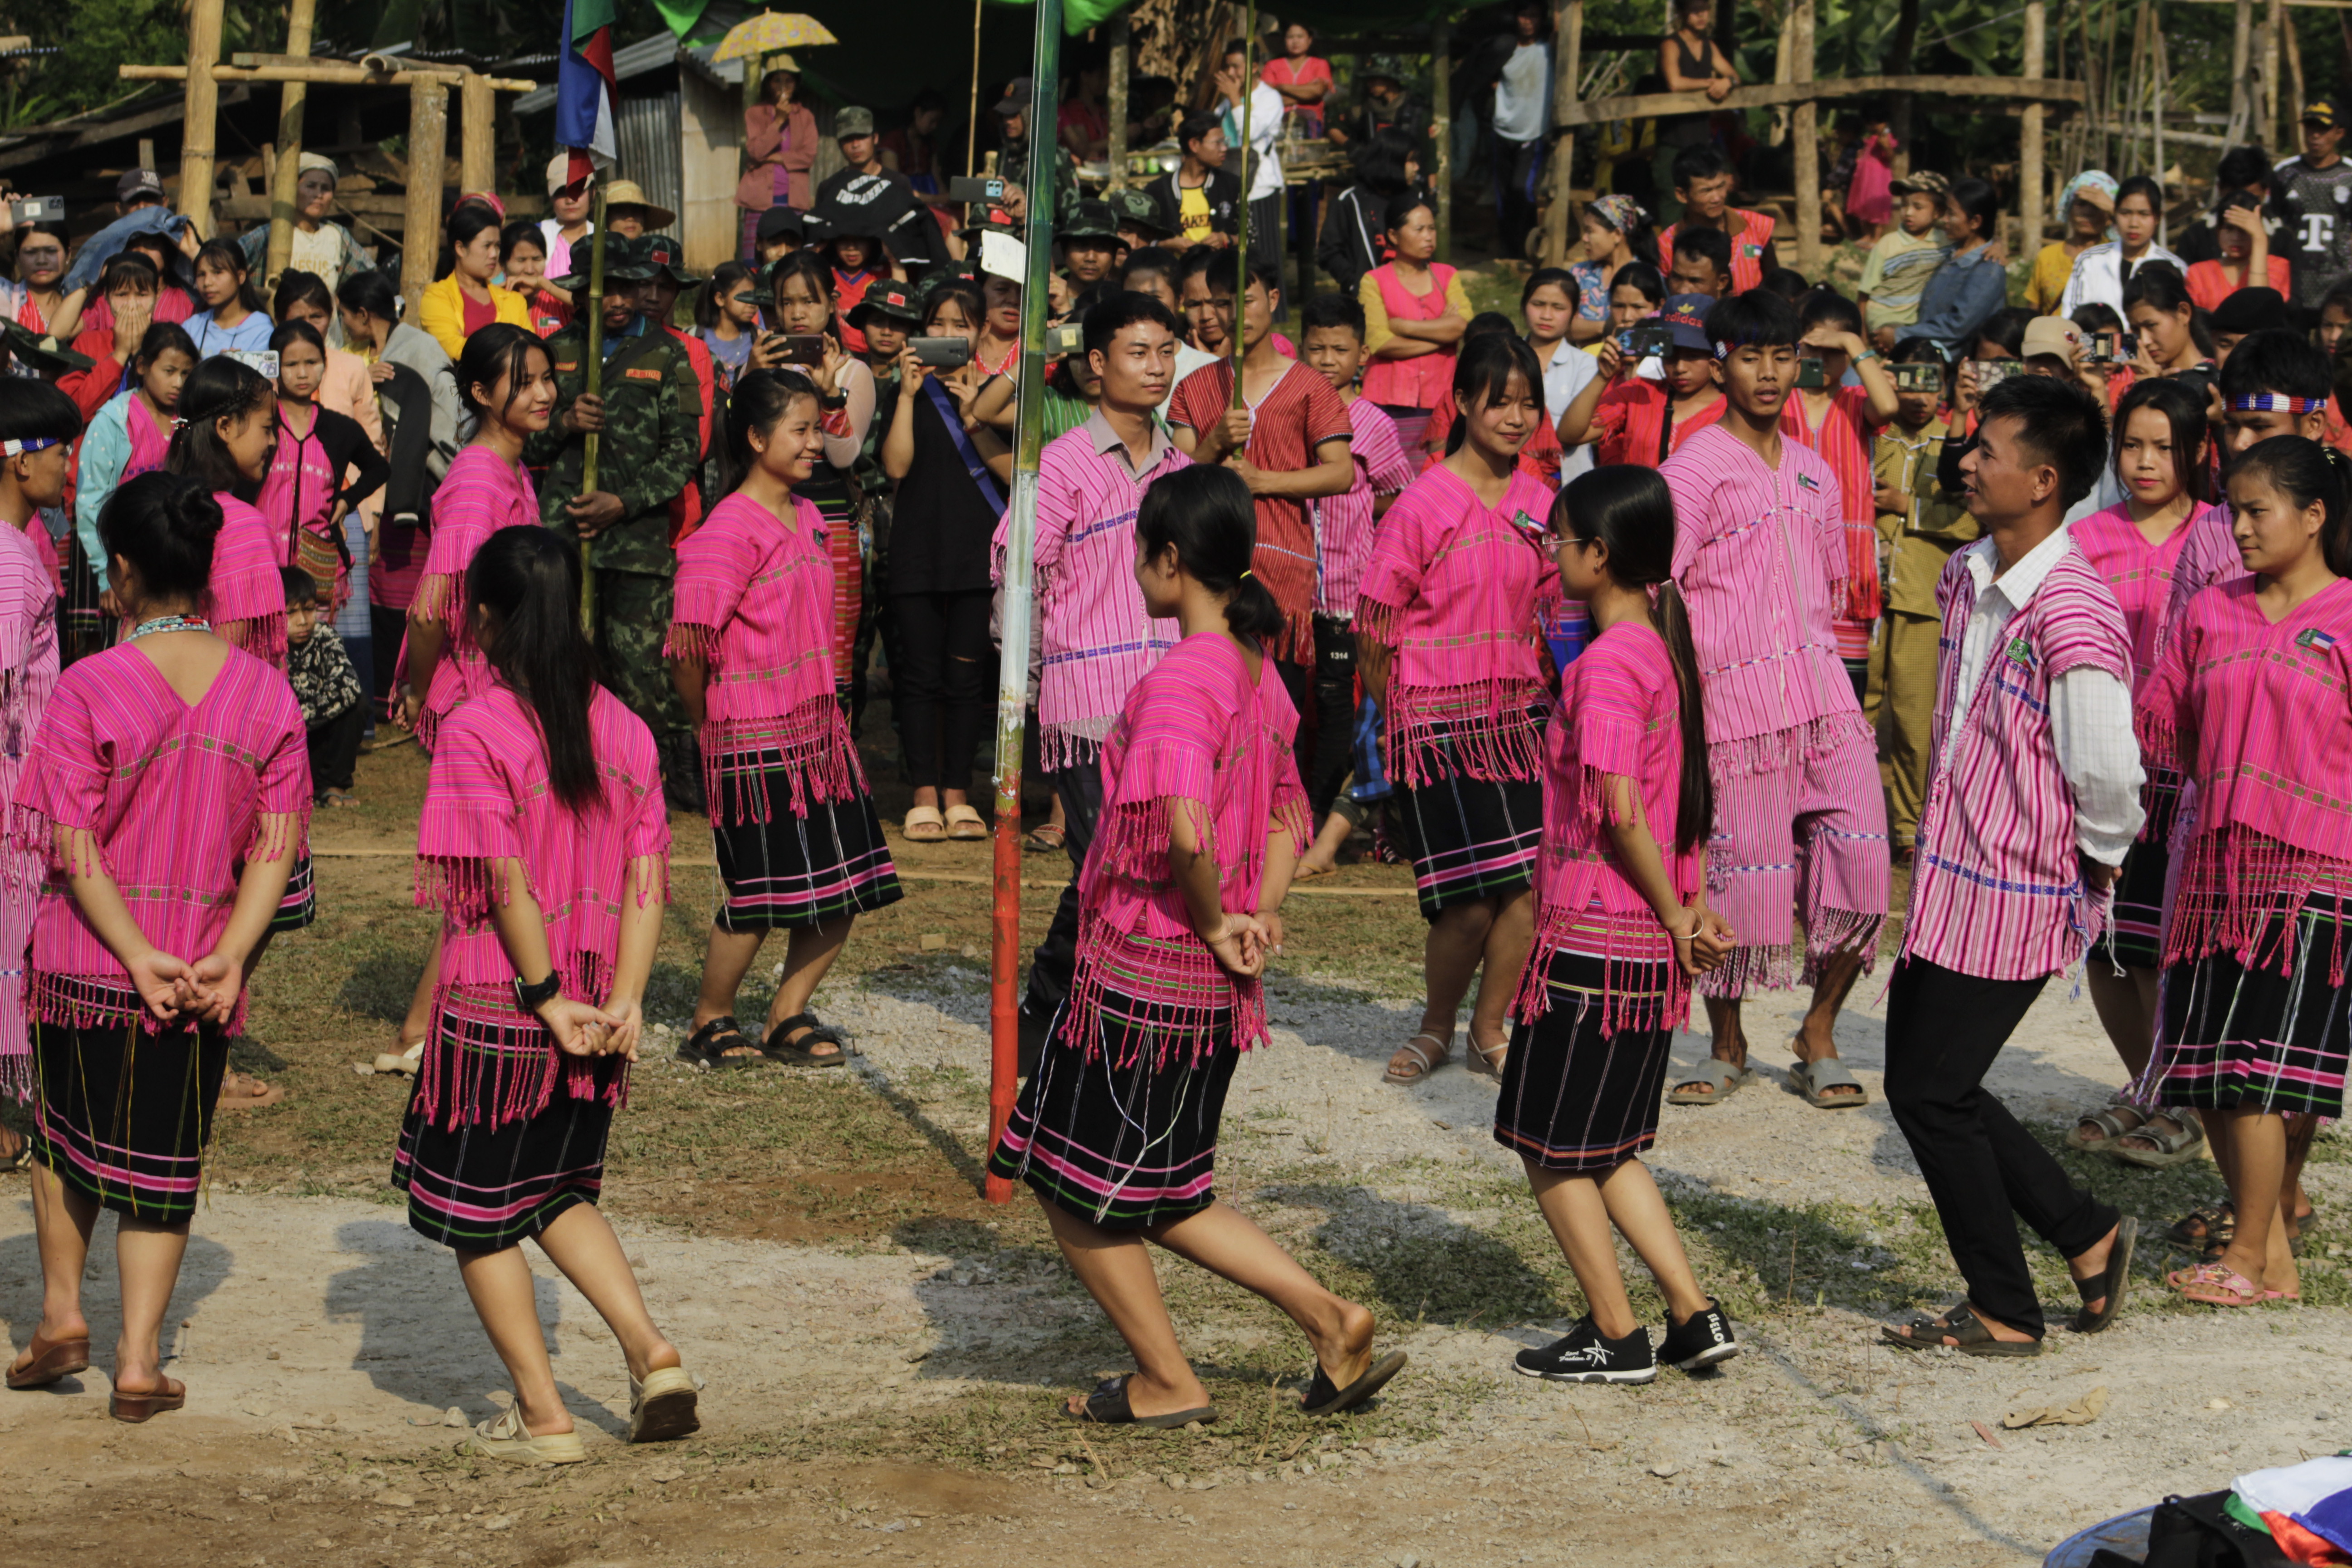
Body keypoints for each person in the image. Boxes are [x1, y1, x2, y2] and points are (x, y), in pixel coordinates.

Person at [988, 461, 1406, 1426]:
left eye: (1142, 553)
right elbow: (1292, 813)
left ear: (1171, 561)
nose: (1137, 569)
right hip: (1210, 987)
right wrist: (1262, 910)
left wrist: (1222, 914)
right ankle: (1330, 1320)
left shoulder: (1184, 676)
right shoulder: (1260, 677)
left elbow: (1182, 828)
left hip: (1144, 975)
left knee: (1065, 1180)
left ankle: (1168, 1380)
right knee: (1166, 1186)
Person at [396, 523, 698, 1462]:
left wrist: (543, 995)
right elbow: (649, 877)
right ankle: (655, 1355)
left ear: (483, 618)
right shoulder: (628, 729)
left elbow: (501, 881)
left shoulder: (478, 727)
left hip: (507, 1010)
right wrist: (630, 1001)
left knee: (478, 1215)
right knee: (558, 1191)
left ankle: (543, 1413)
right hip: (600, 1010)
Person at [8, 470, 305, 1419]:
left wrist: (132, 952)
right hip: (201, 971)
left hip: (82, 965)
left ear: (124, 572)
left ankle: (62, 1312)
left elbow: (70, 840)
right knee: (164, 1164)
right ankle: (139, 1363)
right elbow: (277, 844)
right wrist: (230, 952)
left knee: (63, 1138)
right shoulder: (265, 696)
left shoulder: (89, 685)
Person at [1879, 374, 2142, 1355]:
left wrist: (2099, 863)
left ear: (2042, 480)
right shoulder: (1966, 572)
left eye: (1988, 450)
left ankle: (2005, 1309)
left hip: (2021, 890)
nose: (1969, 461)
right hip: (1953, 877)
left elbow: (2109, 769)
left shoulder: (2075, 611)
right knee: (1932, 1083)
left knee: (1931, 1094)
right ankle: (2086, 1233)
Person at [1502, 465, 1738, 1384]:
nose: (1553, 555)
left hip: (1596, 941)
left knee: (1550, 1145)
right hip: (1641, 947)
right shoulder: (1659, 652)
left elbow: (1621, 810)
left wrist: (1682, 912)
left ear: (1599, 556)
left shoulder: (1607, 665)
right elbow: (1687, 808)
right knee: (1608, 1146)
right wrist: (1686, 905)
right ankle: (1691, 1313)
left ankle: (1615, 1332)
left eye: (1561, 540)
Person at [1659, 291, 1890, 1109]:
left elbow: (1823, 590)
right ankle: (1724, 1044)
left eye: (1782, 355)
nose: (1767, 371)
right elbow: (1663, 592)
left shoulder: (1815, 470)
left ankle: (1816, 1031)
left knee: (1864, 865)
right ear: (1719, 360)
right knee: (1732, 883)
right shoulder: (1687, 470)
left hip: (1824, 697)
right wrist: (1679, 707)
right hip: (1731, 711)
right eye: (1750, 354)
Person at [2136, 433, 2352, 1309]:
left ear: (2311, 516)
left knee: (2260, 1073)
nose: (2238, 527)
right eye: (2230, 510)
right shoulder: (2210, 612)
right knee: (2213, 1076)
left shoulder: (2345, 617)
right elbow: (2172, 727)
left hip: (2311, 872)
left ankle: (2252, 1256)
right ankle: (2270, 1259)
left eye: (2255, 510)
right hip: (2214, 872)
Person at [670, 368, 904, 1073]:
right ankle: (710, 1019)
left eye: (817, 427)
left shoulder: (806, 514)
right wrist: (709, 724)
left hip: (819, 736)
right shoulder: (725, 532)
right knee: (759, 895)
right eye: (801, 430)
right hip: (752, 738)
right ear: (755, 437)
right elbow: (687, 649)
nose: (815, 443)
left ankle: (787, 1012)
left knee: (846, 885)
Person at [1362, 335, 1557, 1087]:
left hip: (1517, 724)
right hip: (1435, 729)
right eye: (1499, 401)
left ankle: (1488, 1027)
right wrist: (1399, 722)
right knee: (1468, 902)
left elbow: (1560, 614)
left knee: (1529, 887)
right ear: (1464, 404)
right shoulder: (1421, 503)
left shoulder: (1540, 502)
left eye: (1526, 402)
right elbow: (1376, 628)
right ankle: (1434, 1026)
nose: (1514, 417)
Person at [1007, 293, 1190, 1067]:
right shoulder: (1059, 464)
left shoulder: (1181, 465)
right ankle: (1052, 1014)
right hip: (1088, 704)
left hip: (1169, 701)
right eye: (1137, 351)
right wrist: (1020, 676)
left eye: (1164, 351)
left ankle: (1080, 1011)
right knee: (1102, 864)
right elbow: (1013, 569)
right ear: (1096, 364)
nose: (1154, 367)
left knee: (1141, 863)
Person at [2057, 378, 2227, 1159]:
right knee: (2106, 942)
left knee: (2162, 946)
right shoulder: (2085, 539)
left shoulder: (2226, 534)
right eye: (2130, 444)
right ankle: (2146, 1082)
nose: (2144, 461)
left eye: (2163, 446)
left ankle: (2179, 1093)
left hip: (2185, 775)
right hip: (2101, 767)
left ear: (2197, 450)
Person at [524, 237, 703, 810]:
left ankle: (657, 782)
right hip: (566, 537)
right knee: (565, 658)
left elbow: (683, 454)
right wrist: (563, 423)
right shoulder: (554, 352)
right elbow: (526, 435)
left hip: (637, 544)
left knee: (641, 673)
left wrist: (624, 501)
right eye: (608, 289)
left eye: (629, 287)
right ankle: (569, 777)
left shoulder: (669, 355)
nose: (620, 301)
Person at [1169, 254, 1354, 741]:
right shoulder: (1194, 387)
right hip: (1210, 567)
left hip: (1282, 572)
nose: (1234, 315)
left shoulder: (1310, 386)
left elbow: (1341, 473)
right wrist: (1212, 444)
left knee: (1277, 719)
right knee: (1214, 713)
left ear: (1272, 300)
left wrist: (1265, 482)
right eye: (1221, 304)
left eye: (1245, 300)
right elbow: (1173, 482)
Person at [1291, 292, 1417, 876]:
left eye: (1339, 349)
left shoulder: (1373, 424)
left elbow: (1396, 492)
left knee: (1338, 705)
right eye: (1315, 347)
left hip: (1347, 595)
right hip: (1292, 590)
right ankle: (1287, 819)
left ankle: (1316, 821)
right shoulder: (1289, 412)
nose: (1326, 358)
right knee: (1292, 704)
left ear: (1362, 354)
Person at [882, 280, 1007, 845]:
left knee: (965, 679)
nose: (948, 335)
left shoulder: (994, 393)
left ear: (980, 331)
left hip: (976, 552)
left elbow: (1007, 472)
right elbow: (897, 468)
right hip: (915, 551)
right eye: (938, 323)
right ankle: (922, 796)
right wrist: (908, 395)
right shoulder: (902, 388)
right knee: (919, 676)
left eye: (961, 324)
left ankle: (959, 796)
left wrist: (977, 409)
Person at [1868, 341, 1979, 858]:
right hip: (1863, 597)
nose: (1918, 394)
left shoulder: (1958, 444)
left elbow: (1973, 521)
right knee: (1855, 718)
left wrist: (1906, 505)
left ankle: (1912, 829)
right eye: (1907, 380)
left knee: (1915, 726)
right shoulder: (1869, 434)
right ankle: (1852, 821)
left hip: (1921, 601)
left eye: (1929, 381)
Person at [762, 253, 877, 719]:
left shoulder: (855, 373)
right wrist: (755, 377)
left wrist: (829, 393)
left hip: (829, 525)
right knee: (776, 639)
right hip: (770, 520)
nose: (796, 313)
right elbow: (744, 445)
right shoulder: (764, 367)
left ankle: (835, 767)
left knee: (830, 644)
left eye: (808, 301)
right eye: (786, 302)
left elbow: (844, 455)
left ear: (831, 304)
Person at [0, 378, 68, 1139]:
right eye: (60, 451)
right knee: (11, 939)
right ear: (20, 462)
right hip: (12, 796)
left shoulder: (20, 550)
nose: (67, 467)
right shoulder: (11, 563)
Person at [1785, 289, 1901, 697]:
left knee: (1845, 689)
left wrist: (1854, 345)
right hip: (1785, 559)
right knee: (1789, 684)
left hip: (1848, 575)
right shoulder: (1779, 401)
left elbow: (1888, 407)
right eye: (1814, 347)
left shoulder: (1856, 402)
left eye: (1837, 351)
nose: (1824, 360)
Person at [72, 321, 195, 658]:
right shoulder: (114, 420)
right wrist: (105, 575)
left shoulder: (188, 423)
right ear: (142, 366)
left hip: (173, 559)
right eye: (169, 370)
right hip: (122, 563)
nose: (178, 383)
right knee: (114, 651)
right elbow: (90, 501)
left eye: (186, 373)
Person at [165, 356, 290, 665]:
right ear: (225, 426)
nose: (273, 441)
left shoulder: (161, 503)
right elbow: (228, 654)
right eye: (266, 428)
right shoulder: (242, 525)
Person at [260, 320, 387, 614]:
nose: (303, 373)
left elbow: (379, 469)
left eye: (312, 362)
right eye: (291, 364)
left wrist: (347, 500)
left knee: (310, 648)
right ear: (274, 365)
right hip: (261, 560)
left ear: (325, 364)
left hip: (316, 565)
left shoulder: (339, 428)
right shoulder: (259, 419)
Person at [1359, 191, 1470, 456]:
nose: (1429, 236)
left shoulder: (1447, 275)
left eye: (1432, 228)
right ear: (1394, 236)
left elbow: (1461, 326)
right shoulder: (1373, 281)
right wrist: (1441, 333)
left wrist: (1402, 327)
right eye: (1419, 229)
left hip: (1441, 398)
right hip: (1386, 400)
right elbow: (1379, 342)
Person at [1563, 294, 1725, 466]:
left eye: (1694, 356)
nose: (1680, 368)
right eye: (1670, 354)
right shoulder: (1638, 392)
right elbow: (1570, 435)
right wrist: (1602, 377)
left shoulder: (1732, 411)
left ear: (1715, 357)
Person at [815, 108, 944, 276]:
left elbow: (913, 240)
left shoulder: (898, 183)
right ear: (840, 145)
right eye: (848, 139)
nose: (855, 145)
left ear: (875, 138)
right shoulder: (829, 188)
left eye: (861, 137)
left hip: (895, 274)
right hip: (843, 281)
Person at [1652, 0, 1739, 225]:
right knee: (1673, 203)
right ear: (1682, 14)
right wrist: (1711, 83)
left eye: (1705, 10)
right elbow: (1675, 82)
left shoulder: (1709, 46)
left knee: (1713, 201)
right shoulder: (1671, 45)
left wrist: (1727, 82)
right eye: (1694, 11)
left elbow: (1734, 75)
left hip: (1701, 142)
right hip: (1673, 140)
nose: (1701, 16)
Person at [283, 565, 362, 808]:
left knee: (358, 705)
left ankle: (332, 783)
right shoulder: (266, 646)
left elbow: (348, 686)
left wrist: (301, 717)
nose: (303, 621)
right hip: (284, 744)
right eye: (292, 613)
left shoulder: (325, 636)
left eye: (309, 610)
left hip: (315, 733)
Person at [232, 154, 367, 291]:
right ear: (292, 189)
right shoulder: (270, 234)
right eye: (311, 186)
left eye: (325, 188)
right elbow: (226, 267)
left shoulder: (337, 236)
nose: (319, 194)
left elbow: (368, 280)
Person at [2059, 175, 2186, 319]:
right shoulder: (2090, 261)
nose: (2134, 224)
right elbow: (2071, 318)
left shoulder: (2175, 267)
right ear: (2115, 214)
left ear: (2158, 218)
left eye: (2143, 214)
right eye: (2125, 213)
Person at [1910, 177, 2011, 356]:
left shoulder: (1988, 268)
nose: (1945, 220)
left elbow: (1957, 326)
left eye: (1952, 214)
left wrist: (1901, 335)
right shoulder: (1951, 252)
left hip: (1958, 366)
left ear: (1975, 222)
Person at [418, 204, 529, 362]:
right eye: (487, 246)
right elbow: (452, 347)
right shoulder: (437, 297)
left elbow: (531, 349)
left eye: (497, 246)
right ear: (461, 249)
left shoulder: (513, 300)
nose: (494, 254)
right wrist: (508, 355)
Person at [1656, 146, 1774, 295]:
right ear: (1682, 195)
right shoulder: (1667, 245)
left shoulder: (1756, 225)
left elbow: (1775, 283)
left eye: (1720, 187)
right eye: (1707, 191)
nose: (1717, 198)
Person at [1486, 2, 1553, 260]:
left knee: (1522, 189)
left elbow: (1559, 28)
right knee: (1503, 194)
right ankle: (1508, 248)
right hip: (1502, 130)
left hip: (1533, 132)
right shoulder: (1504, 50)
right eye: (1523, 15)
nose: (1528, 21)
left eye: (1534, 16)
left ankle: (1526, 244)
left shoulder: (1548, 49)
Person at [1859, 172, 1952, 353]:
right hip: (1885, 318)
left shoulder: (1945, 242)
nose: (1908, 213)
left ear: (1938, 212)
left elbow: (1977, 243)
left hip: (1918, 322)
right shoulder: (1888, 244)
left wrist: (1997, 245)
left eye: (1918, 207)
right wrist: (1862, 337)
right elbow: (1864, 294)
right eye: (1904, 206)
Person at [1523, 267, 1602, 480]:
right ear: (1524, 306)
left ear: (1575, 314)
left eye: (1558, 307)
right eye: (1538, 304)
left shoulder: (1587, 365)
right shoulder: (1505, 358)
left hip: (1571, 483)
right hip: (1514, 479)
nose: (1546, 315)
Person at [736, 63, 819, 259]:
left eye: (789, 81)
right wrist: (779, 121)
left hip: (793, 199)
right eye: (777, 81)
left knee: (791, 255)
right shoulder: (755, 114)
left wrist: (773, 158)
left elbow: (808, 156)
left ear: (796, 84)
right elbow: (756, 151)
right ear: (768, 84)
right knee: (756, 256)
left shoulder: (805, 116)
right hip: (759, 200)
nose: (783, 86)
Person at [2279, 101, 2352, 312]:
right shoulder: (2285, 173)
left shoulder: (2348, 175)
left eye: (2323, 129)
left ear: (2339, 133)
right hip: (2295, 279)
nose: (2315, 136)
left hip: (2340, 278)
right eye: (2310, 128)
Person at [1148, 111, 1243, 255]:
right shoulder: (1157, 191)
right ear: (1194, 145)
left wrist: (1227, 239)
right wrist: (1166, 245)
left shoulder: (1232, 185)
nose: (1224, 148)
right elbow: (1141, 243)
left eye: (1225, 142)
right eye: (1218, 143)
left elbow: (1253, 238)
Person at [2026, 172, 2119, 315]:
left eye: (2096, 206)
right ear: (2069, 209)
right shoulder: (2047, 256)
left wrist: (2115, 210)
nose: (2087, 212)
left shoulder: (2116, 256)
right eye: (2081, 204)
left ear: (2109, 217)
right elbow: (2032, 312)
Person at [2185, 186, 2287, 311]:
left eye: (2244, 230)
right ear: (2218, 231)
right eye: (2229, 229)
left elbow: (2259, 307)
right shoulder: (2198, 273)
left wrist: (2260, 240)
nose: (2236, 238)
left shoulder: (2277, 266)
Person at [1567, 196, 1652, 345]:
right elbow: (1560, 325)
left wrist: (1585, 328)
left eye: (1590, 231)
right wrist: (1605, 327)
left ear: (1617, 235)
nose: (1585, 239)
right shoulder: (1579, 274)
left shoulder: (1647, 276)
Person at [693, 260, 772, 391]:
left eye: (754, 296)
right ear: (720, 299)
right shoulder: (694, 337)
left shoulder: (758, 338)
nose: (752, 303)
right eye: (744, 295)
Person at [186, 240, 270, 357]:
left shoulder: (261, 330)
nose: (207, 283)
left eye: (217, 272)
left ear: (241, 276)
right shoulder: (191, 327)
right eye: (201, 274)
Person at [538, 158, 597, 297]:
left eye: (578, 191)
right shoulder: (536, 235)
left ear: (593, 192)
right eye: (562, 192)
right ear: (551, 197)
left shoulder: (606, 238)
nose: (570, 200)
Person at [500, 222, 568, 338]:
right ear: (503, 265)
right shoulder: (494, 299)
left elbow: (592, 307)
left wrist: (543, 283)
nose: (530, 270)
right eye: (521, 260)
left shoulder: (559, 298)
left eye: (537, 259)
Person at [1264, 21, 1332, 133]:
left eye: (1300, 37)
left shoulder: (1320, 64)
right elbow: (1267, 97)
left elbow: (1318, 91)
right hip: (1278, 123)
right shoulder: (1272, 65)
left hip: (1312, 124)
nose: (1295, 41)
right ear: (1285, 40)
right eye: (1291, 37)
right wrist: (1307, 95)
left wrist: (1282, 88)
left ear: (1310, 40)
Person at [1059, 201, 1124, 292]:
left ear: (1114, 254)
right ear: (1065, 249)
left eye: (1102, 248)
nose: (1091, 258)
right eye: (1082, 246)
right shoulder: (1042, 297)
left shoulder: (1124, 303)